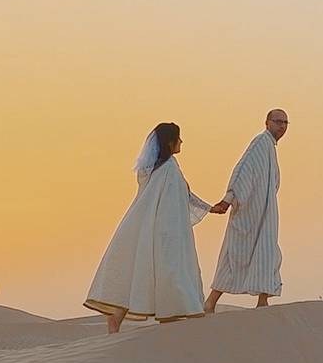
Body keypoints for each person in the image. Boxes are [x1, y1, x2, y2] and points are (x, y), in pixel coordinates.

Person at [84, 122, 224, 333]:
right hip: (166, 233)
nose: (182, 142)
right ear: (170, 142)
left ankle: (121, 318)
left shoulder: (164, 169)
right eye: (179, 138)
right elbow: (168, 202)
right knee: (168, 273)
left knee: (142, 272)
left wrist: (209, 208)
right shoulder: (167, 170)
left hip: (159, 230)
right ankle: (168, 318)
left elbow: (183, 196)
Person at [204, 109, 288, 313]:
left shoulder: (269, 146)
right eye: (278, 121)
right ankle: (210, 302)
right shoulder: (260, 143)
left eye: (285, 122)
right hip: (250, 212)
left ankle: (262, 301)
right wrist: (228, 199)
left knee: (267, 252)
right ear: (267, 122)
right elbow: (243, 170)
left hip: (265, 213)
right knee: (233, 255)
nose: (282, 126)